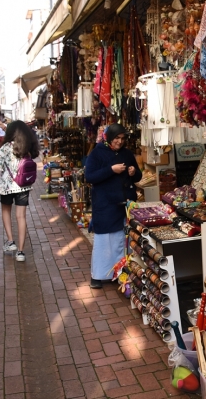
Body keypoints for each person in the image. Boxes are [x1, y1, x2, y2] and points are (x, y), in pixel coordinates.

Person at [85, 124, 142, 289]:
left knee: (121, 240)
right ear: (109, 137)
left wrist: (133, 172)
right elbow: (90, 176)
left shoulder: (127, 153)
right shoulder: (97, 152)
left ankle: (119, 273)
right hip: (105, 203)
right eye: (117, 138)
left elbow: (138, 176)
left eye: (122, 139)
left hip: (124, 203)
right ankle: (98, 275)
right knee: (104, 240)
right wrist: (111, 169)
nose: (119, 142)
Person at [0, 120, 40, 262]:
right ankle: (21, 252)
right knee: (21, 217)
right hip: (23, 185)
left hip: (7, 186)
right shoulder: (27, 147)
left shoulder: (7, 147)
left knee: (6, 211)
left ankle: (10, 241)